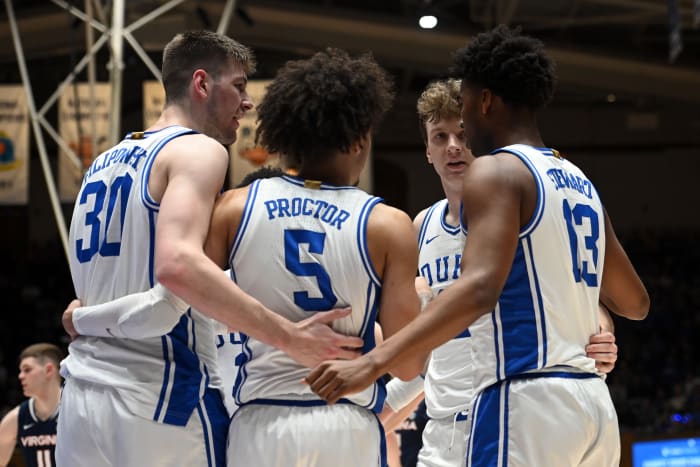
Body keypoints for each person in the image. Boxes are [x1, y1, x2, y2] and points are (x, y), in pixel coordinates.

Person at [307, 25, 649, 467]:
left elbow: (481, 289)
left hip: (524, 399)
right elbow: (635, 301)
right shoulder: (578, 180)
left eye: (465, 108)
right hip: (592, 408)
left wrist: (371, 365)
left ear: (484, 100)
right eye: (441, 136)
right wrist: (586, 313)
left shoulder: (497, 171)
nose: (462, 131)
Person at [58, 31, 363, 467]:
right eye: (239, 86)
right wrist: (290, 338)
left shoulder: (99, 165)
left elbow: (93, 295)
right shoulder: (198, 150)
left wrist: (82, 319)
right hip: (159, 398)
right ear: (201, 84)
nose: (248, 102)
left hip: (81, 399)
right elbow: (177, 267)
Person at [203, 47, 427, 467]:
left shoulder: (233, 208)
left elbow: (183, 300)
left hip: (261, 424)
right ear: (360, 139)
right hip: (346, 423)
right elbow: (408, 364)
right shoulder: (387, 225)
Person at [380, 78, 620, 467]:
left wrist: (601, 328)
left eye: (462, 134)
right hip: (444, 429)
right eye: (440, 137)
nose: (453, 146)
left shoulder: (516, 209)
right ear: (427, 151)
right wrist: (381, 407)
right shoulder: (421, 227)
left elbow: (573, 290)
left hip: (513, 411)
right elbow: (426, 356)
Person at [0, 343, 63, 467]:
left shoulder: (77, 411)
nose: (20, 376)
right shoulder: (16, 418)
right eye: (21, 371)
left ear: (49, 370)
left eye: (27, 370)